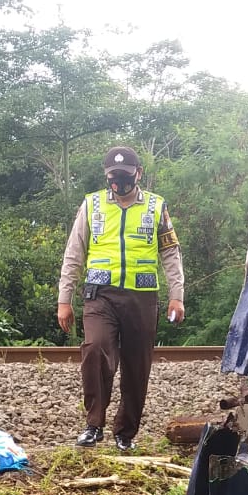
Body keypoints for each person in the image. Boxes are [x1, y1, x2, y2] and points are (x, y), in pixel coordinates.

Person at [57, 145, 185, 451]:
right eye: (113, 176)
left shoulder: (156, 207)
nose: (119, 182)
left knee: (136, 365)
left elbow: (170, 252)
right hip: (99, 295)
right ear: (106, 176)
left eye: (125, 176)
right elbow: (74, 253)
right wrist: (65, 298)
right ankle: (93, 425)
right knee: (95, 349)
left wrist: (176, 296)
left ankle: (125, 432)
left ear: (138, 174)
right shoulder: (92, 205)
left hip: (142, 297)